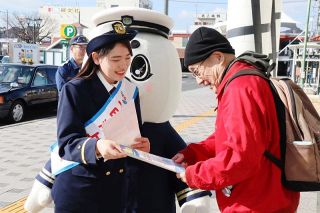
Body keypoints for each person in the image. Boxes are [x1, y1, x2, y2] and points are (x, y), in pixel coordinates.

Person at [172, 27, 300, 212]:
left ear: (218, 57)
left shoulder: (239, 88)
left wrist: (194, 174)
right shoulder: (245, 80)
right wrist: (194, 153)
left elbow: (239, 159)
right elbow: (229, 137)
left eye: (197, 71)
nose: (198, 80)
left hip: (255, 202)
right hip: (266, 196)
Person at [51, 21, 150, 213]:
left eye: (128, 58)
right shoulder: (74, 90)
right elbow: (66, 144)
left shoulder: (130, 90)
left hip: (116, 188)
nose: (123, 65)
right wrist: (96, 146)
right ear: (96, 58)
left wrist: (141, 146)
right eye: (116, 59)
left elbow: (133, 132)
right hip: (81, 187)